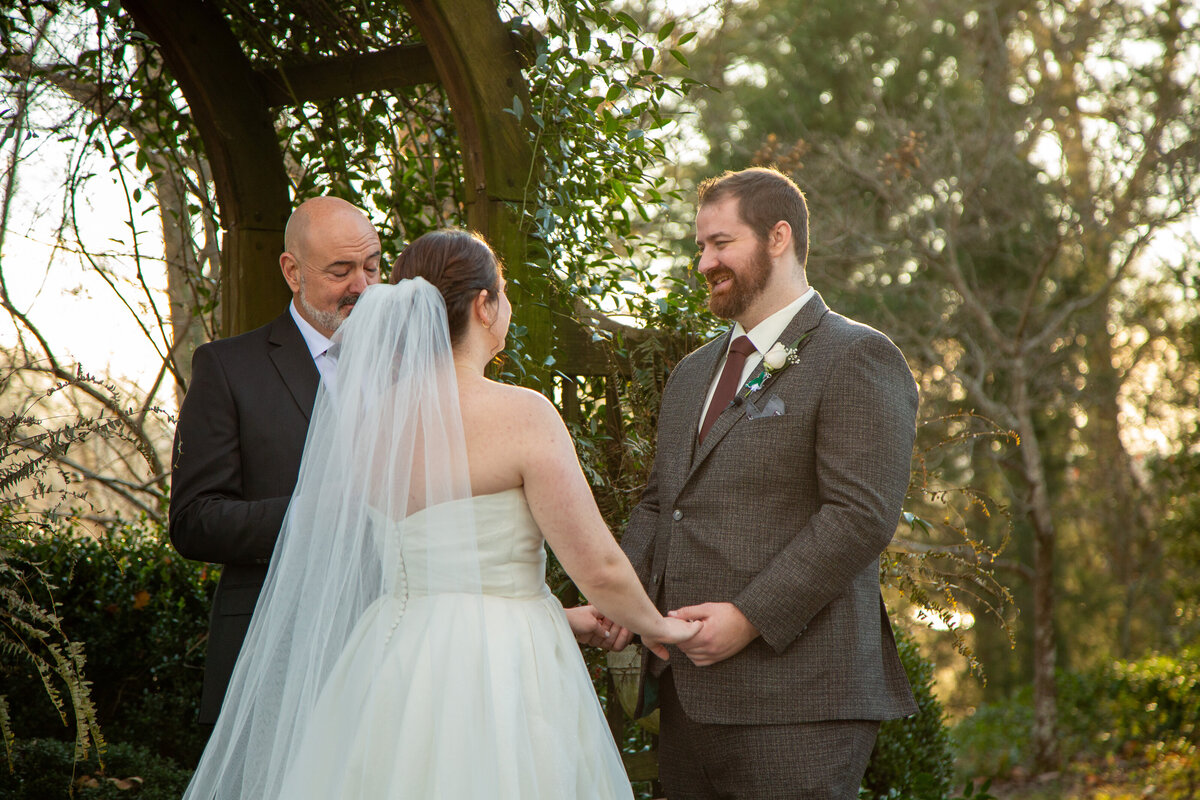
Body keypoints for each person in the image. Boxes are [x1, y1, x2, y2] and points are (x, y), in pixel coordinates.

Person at [181, 229, 699, 799]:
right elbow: (598, 566)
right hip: (501, 665)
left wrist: (561, 615)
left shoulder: (367, 424)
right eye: (502, 291)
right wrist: (659, 626)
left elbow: (418, 561)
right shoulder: (521, 414)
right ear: (483, 305)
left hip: (390, 655)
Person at [618, 167, 920, 799]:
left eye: (721, 243)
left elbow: (859, 516)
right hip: (687, 696)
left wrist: (749, 617)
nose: (704, 262)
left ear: (778, 236)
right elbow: (660, 503)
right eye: (700, 246)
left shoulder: (855, 354)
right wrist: (618, 596)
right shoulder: (693, 373)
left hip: (799, 702)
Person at [169, 196, 382, 727]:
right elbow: (194, 520)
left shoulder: (408, 369)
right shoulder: (228, 367)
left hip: (389, 653)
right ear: (292, 271)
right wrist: (312, 514)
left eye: (372, 267)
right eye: (341, 270)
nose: (362, 286)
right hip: (271, 654)